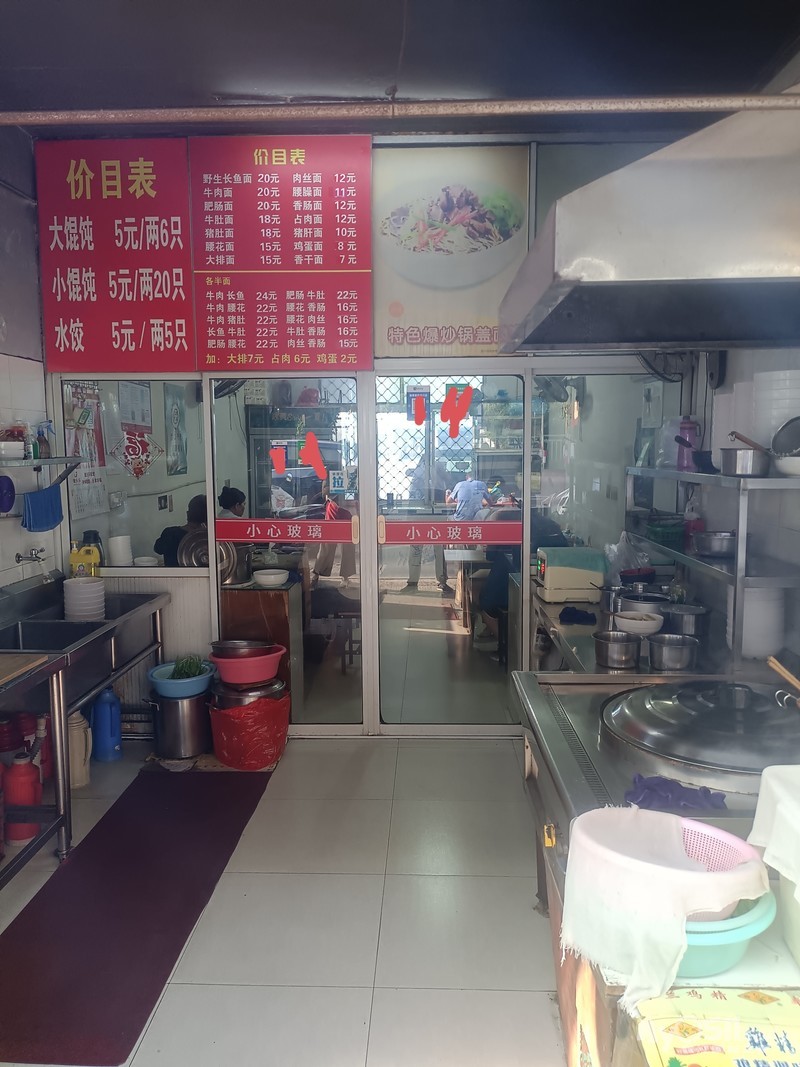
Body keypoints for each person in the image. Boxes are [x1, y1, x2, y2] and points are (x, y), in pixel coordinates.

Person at [407, 458, 450, 592]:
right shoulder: (436, 469)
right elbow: (448, 479)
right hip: (434, 508)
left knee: (417, 547)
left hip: (421, 509)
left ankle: (413, 580)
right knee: (438, 547)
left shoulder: (418, 472)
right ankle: (441, 580)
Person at [153, 494, 208, 567]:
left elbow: (157, 549)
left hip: (172, 574)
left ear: (188, 514)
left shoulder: (170, 533)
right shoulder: (206, 539)